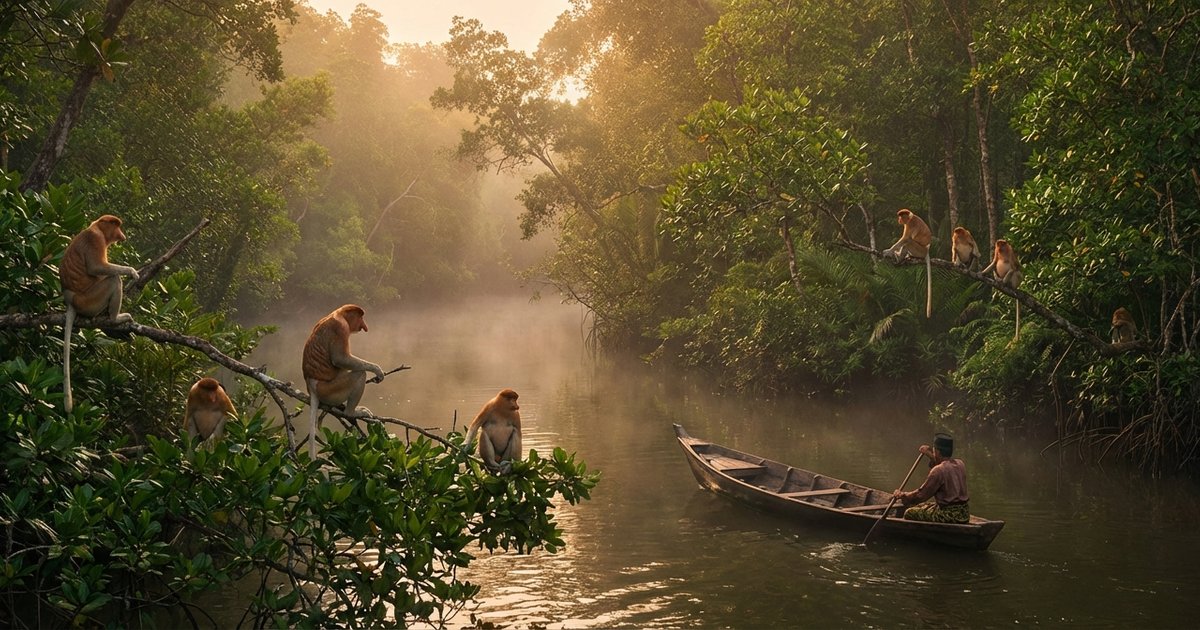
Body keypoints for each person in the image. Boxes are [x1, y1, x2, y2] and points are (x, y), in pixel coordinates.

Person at [892, 433, 970, 524]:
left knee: (909, 512)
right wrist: (930, 456)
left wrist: (902, 495)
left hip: (949, 515)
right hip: (964, 514)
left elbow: (920, 496)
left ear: (937, 451)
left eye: (934, 450)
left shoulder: (938, 470)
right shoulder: (960, 463)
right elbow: (944, 468)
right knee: (922, 506)